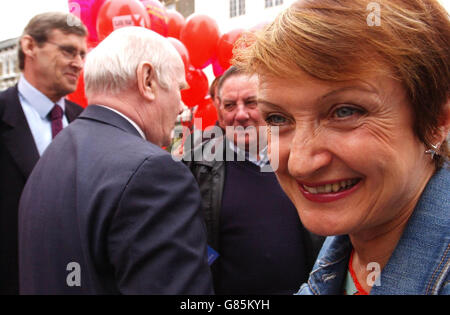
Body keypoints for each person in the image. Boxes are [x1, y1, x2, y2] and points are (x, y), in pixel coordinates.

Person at [234, 0, 450, 294]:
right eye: (278, 118)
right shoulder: (340, 264)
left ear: (437, 121)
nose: (300, 162)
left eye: (345, 112)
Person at [18, 26, 213, 294]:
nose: (182, 105)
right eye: (179, 87)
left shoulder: (50, 157)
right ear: (147, 80)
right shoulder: (153, 173)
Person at [184, 66, 324, 294]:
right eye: (230, 105)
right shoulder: (196, 167)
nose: (240, 114)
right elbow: (186, 244)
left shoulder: (306, 159)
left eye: (251, 102)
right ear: (219, 113)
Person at [0, 12, 87, 294]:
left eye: (82, 54)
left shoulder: (86, 121)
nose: (78, 63)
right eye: (67, 50)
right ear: (29, 47)